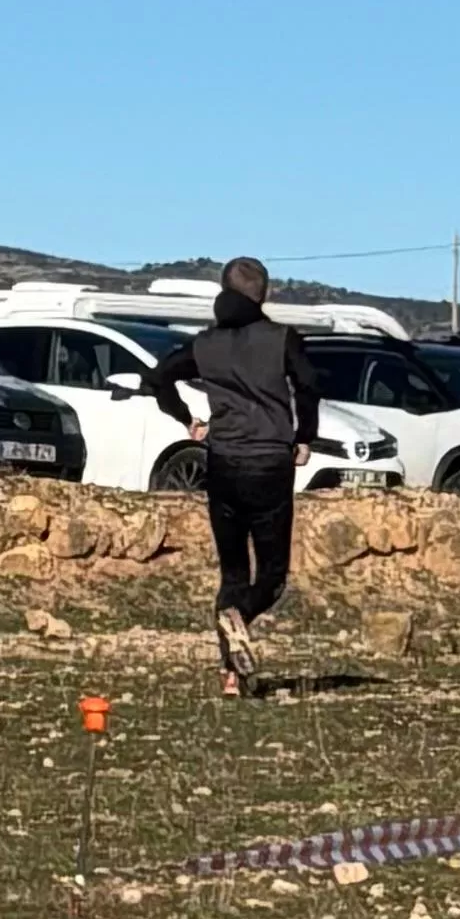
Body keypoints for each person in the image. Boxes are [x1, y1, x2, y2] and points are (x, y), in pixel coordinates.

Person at [145, 256, 318, 695]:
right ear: (265, 293)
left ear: (221, 291)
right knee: (273, 576)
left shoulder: (204, 344)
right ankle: (240, 615)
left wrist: (186, 419)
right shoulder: (282, 339)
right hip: (269, 464)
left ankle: (231, 676)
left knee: (232, 573)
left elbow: (159, 378)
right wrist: (305, 437)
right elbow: (309, 385)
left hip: (221, 464)